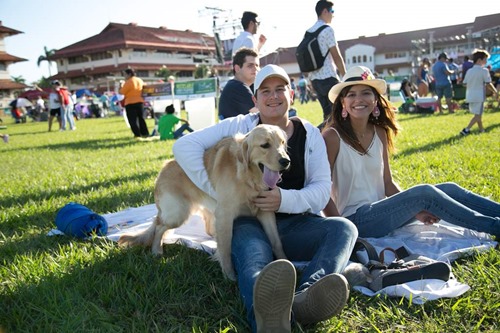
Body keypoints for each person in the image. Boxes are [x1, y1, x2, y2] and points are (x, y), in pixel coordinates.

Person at [173, 64, 357, 332]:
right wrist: (219, 193)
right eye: (266, 91)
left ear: (291, 95)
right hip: (248, 220)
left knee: (344, 228)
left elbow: (321, 191)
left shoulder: (310, 134)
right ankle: (265, 317)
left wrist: (282, 200)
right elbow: (183, 145)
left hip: (295, 223)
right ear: (255, 100)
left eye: (280, 89)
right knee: (254, 257)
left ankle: (305, 297)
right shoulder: (238, 127)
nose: (273, 97)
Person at [321, 65, 499, 241]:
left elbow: (388, 183)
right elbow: (322, 192)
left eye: (366, 93)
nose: (358, 99)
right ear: (343, 102)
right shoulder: (332, 136)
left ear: (376, 99)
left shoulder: (380, 132)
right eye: (351, 94)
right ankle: (495, 227)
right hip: (355, 220)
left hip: (382, 211)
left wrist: (416, 209)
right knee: (424, 193)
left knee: (448, 189)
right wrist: (342, 231)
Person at [307, 1, 346, 124]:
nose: (333, 15)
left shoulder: (309, 31)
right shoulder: (327, 30)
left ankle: (326, 139)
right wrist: (345, 75)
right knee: (340, 113)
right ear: (324, 11)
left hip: (315, 79)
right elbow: (336, 55)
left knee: (327, 115)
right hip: (328, 77)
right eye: (332, 11)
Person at [460, 49, 498, 135]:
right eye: (485, 59)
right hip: (479, 96)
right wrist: (495, 91)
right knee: (477, 115)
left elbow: (464, 84)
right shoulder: (484, 71)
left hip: (470, 95)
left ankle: (481, 130)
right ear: (480, 60)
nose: (486, 61)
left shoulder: (469, 71)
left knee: (478, 114)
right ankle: (466, 129)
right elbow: (489, 83)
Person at [218, 48, 260, 120]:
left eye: (257, 65)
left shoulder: (235, 85)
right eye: (250, 65)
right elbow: (262, 114)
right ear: (237, 68)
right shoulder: (237, 87)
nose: (255, 69)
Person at [119, 68, 150, 138]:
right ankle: (145, 133)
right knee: (141, 119)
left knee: (132, 120)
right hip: (140, 101)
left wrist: (121, 86)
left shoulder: (128, 82)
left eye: (125, 74)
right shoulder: (139, 80)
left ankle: (137, 134)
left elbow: (121, 92)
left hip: (130, 103)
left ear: (129, 74)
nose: (124, 76)